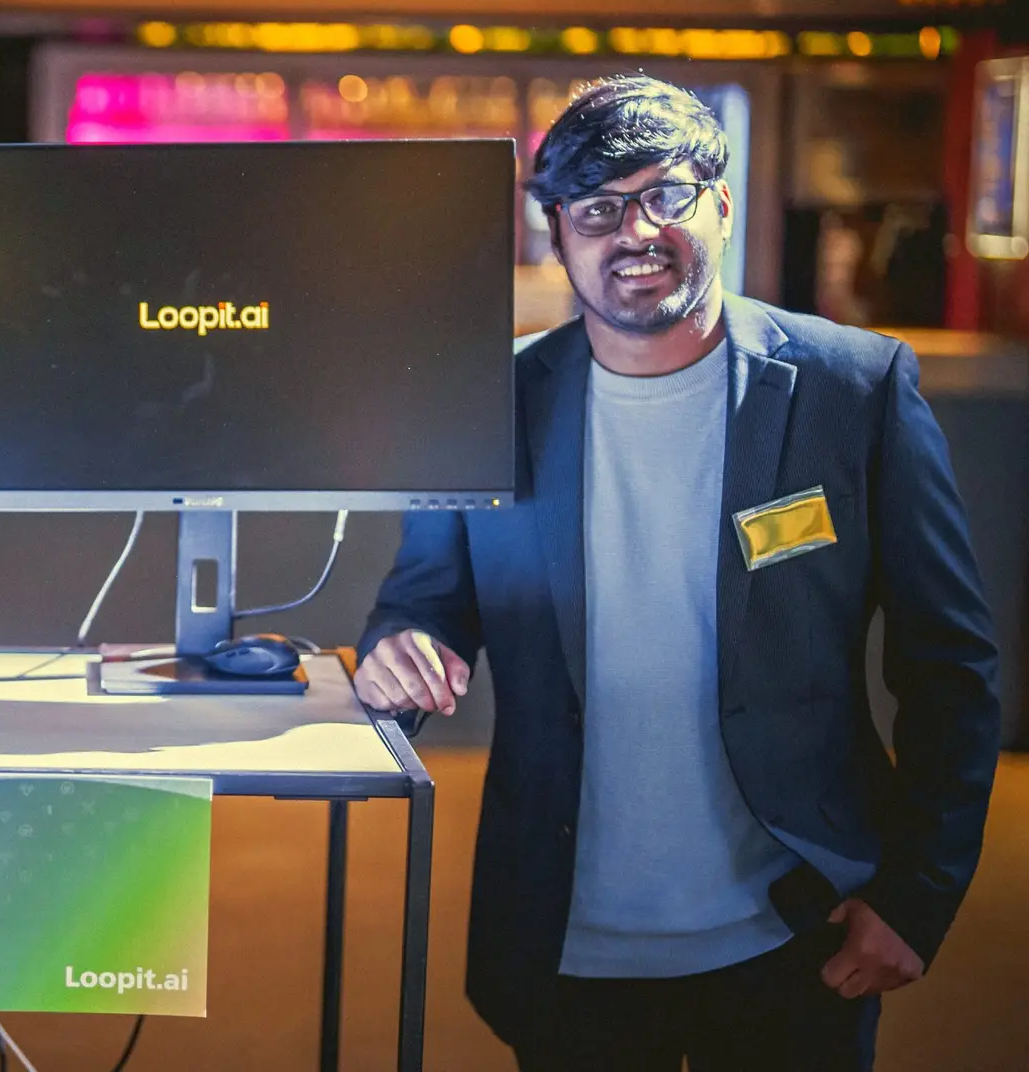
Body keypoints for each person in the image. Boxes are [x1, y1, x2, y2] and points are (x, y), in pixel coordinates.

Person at [355, 75, 999, 1071]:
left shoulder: (853, 389)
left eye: (666, 195)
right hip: (566, 941)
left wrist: (918, 892)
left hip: (797, 933)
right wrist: (404, 646)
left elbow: (950, 665)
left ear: (722, 205)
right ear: (557, 234)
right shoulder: (485, 399)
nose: (637, 232)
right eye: (599, 210)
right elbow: (426, 602)